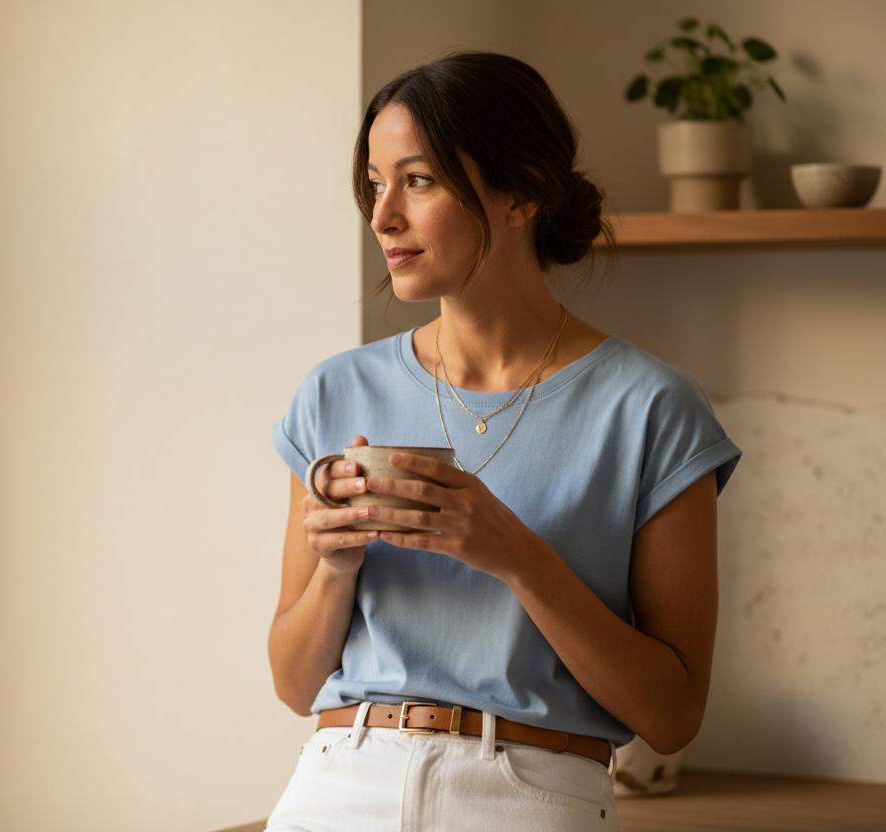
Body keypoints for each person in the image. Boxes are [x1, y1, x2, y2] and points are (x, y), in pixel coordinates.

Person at [265, 50, 742, 831]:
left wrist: (513, 554)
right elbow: (292, 682)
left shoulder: (652, 408)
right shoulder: (334, 392)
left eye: (417, 181)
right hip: (340, 779)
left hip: (530, 791)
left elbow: (673, 714)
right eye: (377, 184)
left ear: (520, 191)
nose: (383, 216)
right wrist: (336, 570)